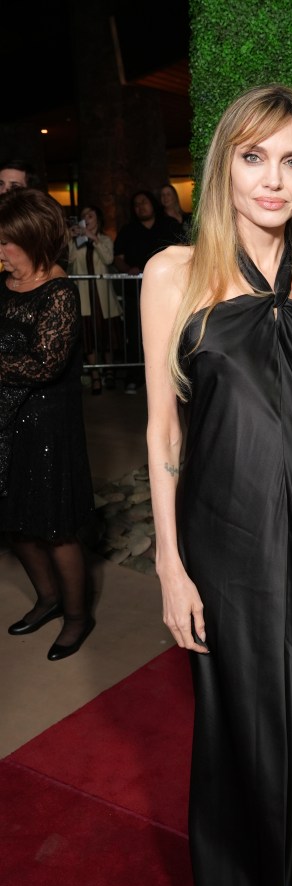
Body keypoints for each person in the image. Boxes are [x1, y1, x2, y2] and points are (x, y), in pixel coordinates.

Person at [141, 84, 292, 886]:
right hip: (222, 537)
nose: (273, 180)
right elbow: (163, 429)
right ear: (223, 165)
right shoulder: (173, 273)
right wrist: (169, 565)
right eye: (254, 157)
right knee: (237, 714)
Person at [0, 189, 95, 661]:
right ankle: (48, 598)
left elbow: (44, 365)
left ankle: (77, 617)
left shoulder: (60, 292)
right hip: (6, 423)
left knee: (56, 529)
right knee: (15, 523)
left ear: (33, 240)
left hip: (47, 427)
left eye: (5, 242)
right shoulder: (2, 284)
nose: (0, 251)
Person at [114, 190, 184, 393]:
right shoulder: (128, 230)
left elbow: (184, 248)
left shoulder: (169, 224)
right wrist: (128, 269)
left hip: (168, 293)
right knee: (135, 334)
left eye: (144, 202)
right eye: (136, 204)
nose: (140, 207)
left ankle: (174, 379)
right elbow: (117, 257)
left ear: (153, 204)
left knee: (172, 333)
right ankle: (136, 376)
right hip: (135, 293)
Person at [68, 204, 123, 393]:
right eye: (84, 215)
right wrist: (71, 238)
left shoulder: (105, 239)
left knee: (107, 335)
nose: (87, 219)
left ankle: (109, 371)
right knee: (88, 338)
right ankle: (95, 376)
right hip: (84, 294)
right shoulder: (75, 241)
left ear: (97, 219)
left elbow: (108, 259)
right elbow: (70, 260)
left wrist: (94, 238)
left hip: (103, 294)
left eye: (90, 215)